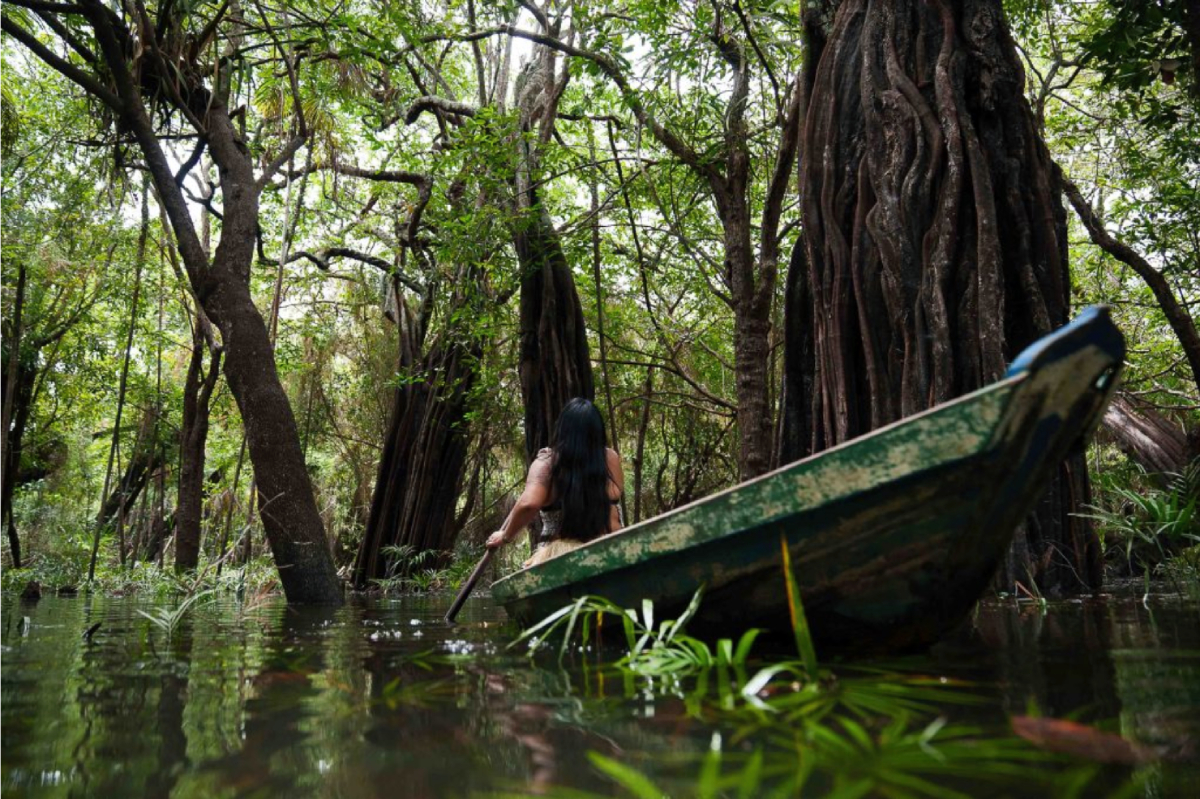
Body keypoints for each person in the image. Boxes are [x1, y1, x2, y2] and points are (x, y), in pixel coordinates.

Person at [486, 398, 624, 567]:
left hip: (562, 555)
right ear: (598, 431)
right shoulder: (610, 458)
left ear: (561, 429)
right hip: (612, 549)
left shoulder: (547, 463)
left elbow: (528, 503)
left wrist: (505, 536)